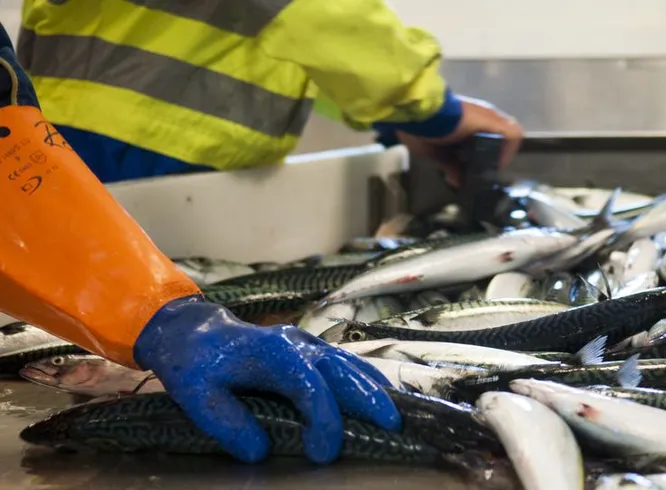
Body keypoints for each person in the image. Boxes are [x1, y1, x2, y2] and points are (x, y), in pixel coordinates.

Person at [0, 17, 458, 465]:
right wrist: (432, 112)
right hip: (137, 153)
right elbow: (327, 18)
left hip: (72, 160)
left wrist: (157, 316)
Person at [14, 0, 524, 185]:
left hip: (92, 134)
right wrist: (435, 112)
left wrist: (388, 122)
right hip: (132, 149)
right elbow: (318, 14)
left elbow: (269, 45)